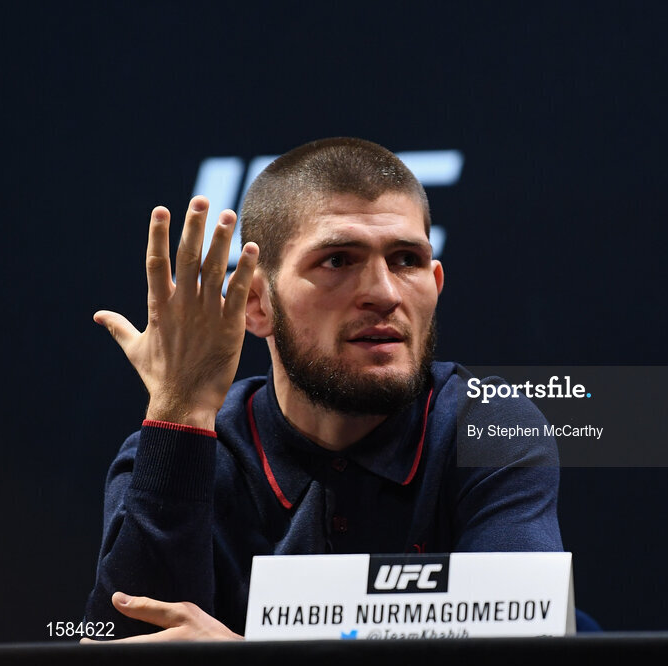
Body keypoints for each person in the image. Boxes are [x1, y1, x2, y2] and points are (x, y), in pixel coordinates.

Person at [85, 137, 566, 641]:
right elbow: (122, 645)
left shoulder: (489, 427)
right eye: (338, 260)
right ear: (254, 303)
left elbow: (519, 651)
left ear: (436, 282)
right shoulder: (170, 450)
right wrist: (179, 414)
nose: (384, 293)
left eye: (407, 260)